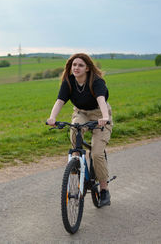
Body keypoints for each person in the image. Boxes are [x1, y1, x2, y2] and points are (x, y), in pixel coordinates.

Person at [46, 53, 113, 207]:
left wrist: (104, 117)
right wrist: (52, 118)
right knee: (75, 128)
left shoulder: (96, 81)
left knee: (96, 154)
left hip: (99, 115)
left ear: (87, 68)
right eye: (74, 65)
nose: (76, 68)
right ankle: (76, 163)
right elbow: (60, 101)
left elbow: (101, 100)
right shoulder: (68, 82)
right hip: (81, 112)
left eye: (80, 65)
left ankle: (104, 190)